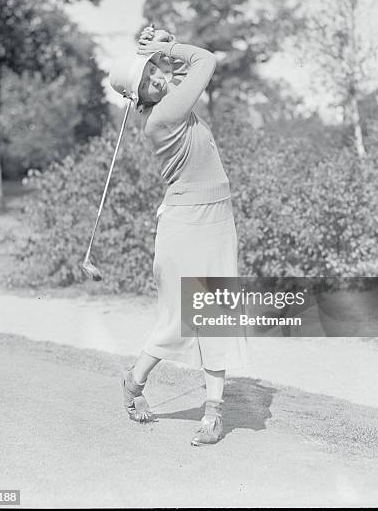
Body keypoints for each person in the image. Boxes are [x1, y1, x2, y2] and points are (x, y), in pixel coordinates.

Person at [108, 26, 248, 446]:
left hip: (218, 218)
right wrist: (168, 49)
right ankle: (133, 385)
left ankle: (213, 414)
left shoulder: (170, 98)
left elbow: (182, 69)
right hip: (186, 225)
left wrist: (162, 46)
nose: (155, 77)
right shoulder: (165, 115)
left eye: (153, 69)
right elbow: (205, 60)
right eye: (146, 80)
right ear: (139, 100)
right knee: (180, 320)